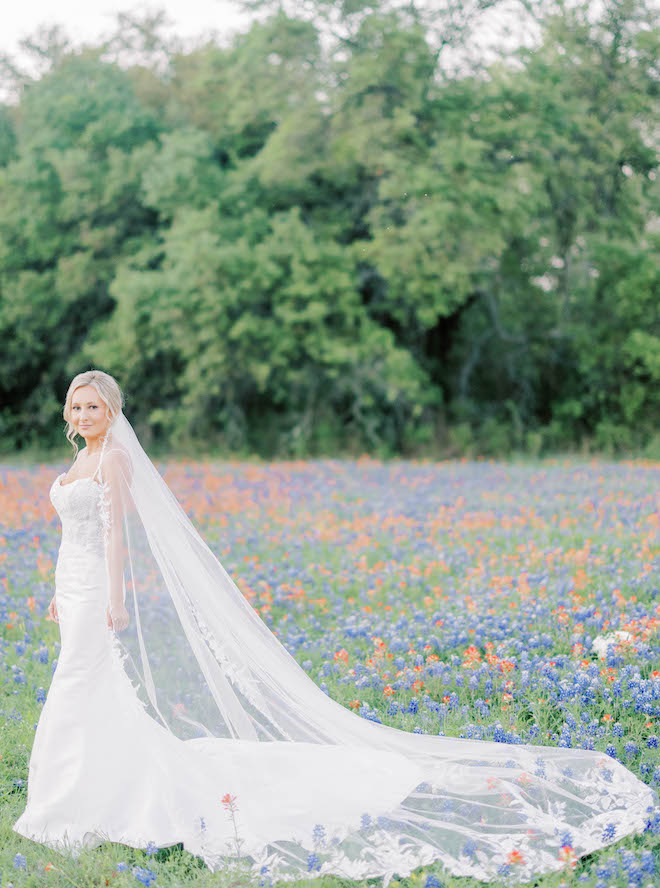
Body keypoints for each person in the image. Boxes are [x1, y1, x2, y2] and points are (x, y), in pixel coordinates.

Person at [12, 369, 657, 885]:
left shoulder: (113, 464)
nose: (81, 416)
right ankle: (85, 791)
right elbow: (71, 535)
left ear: (112, 414)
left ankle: (80, 800)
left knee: (79, 685)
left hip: (97, 588)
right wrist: (55, 593)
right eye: (75, 406)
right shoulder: (74, 465)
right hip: (70, 587)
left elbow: (118, 534)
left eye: (93, 407)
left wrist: (115, 599)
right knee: (84, 687)